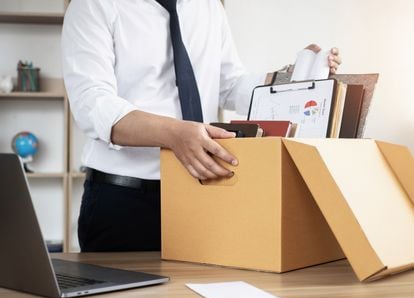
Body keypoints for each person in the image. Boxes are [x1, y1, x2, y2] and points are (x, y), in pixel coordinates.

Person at [62, 0, 341, 252]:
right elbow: (92, 104)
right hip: (124, 201)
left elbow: (231, 84)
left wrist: (291, 77)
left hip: (200, 188)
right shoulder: (94, 5)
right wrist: (173, 134)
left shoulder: (208, 7)